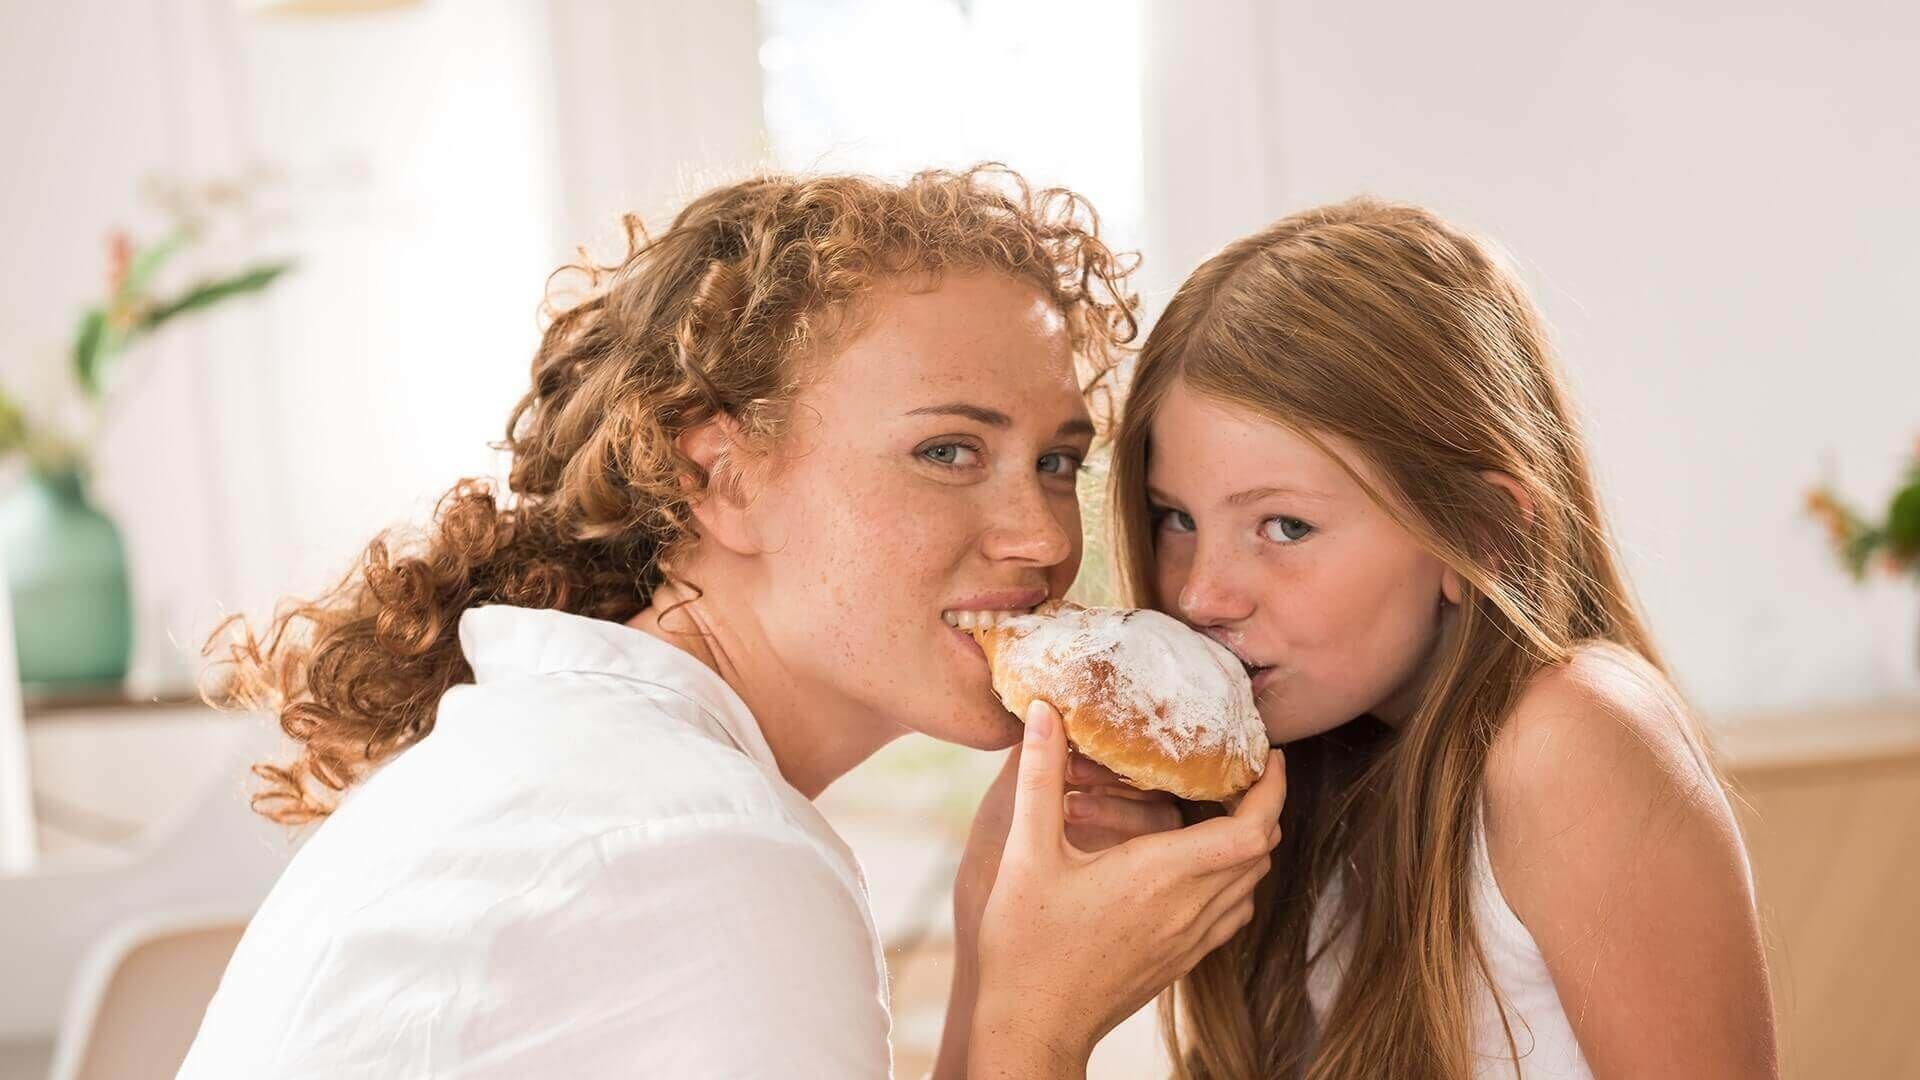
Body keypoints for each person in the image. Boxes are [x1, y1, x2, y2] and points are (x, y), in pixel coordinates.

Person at [176, 165, 1281, 1079]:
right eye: (949, 451)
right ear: (722, 478)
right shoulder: (697, 848)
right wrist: (1038, 1027)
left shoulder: (596, 764)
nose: (1043, 538)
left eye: (1056, 462)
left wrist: (999, 973)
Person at [1101, 198, 1777, 1078]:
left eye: (1285, 527)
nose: (1200, 593)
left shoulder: (1572, 736)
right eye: (1175, 518)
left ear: (1483, 531)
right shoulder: (1311, 774)